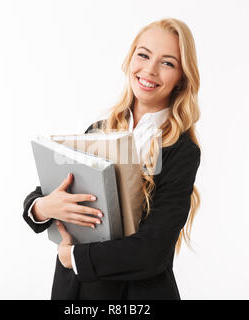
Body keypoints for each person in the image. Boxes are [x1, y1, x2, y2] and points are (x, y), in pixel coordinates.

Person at [22, 17, 201, 300]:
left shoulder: (181, 151)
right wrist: (44, 206)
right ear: (130, 60)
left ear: (182, 78)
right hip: (77, 294)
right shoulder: (98, 131)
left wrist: (75, 258)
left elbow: (152, 251)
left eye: (168, 63)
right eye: (143, 55)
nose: (150, 69)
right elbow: (43, 193)